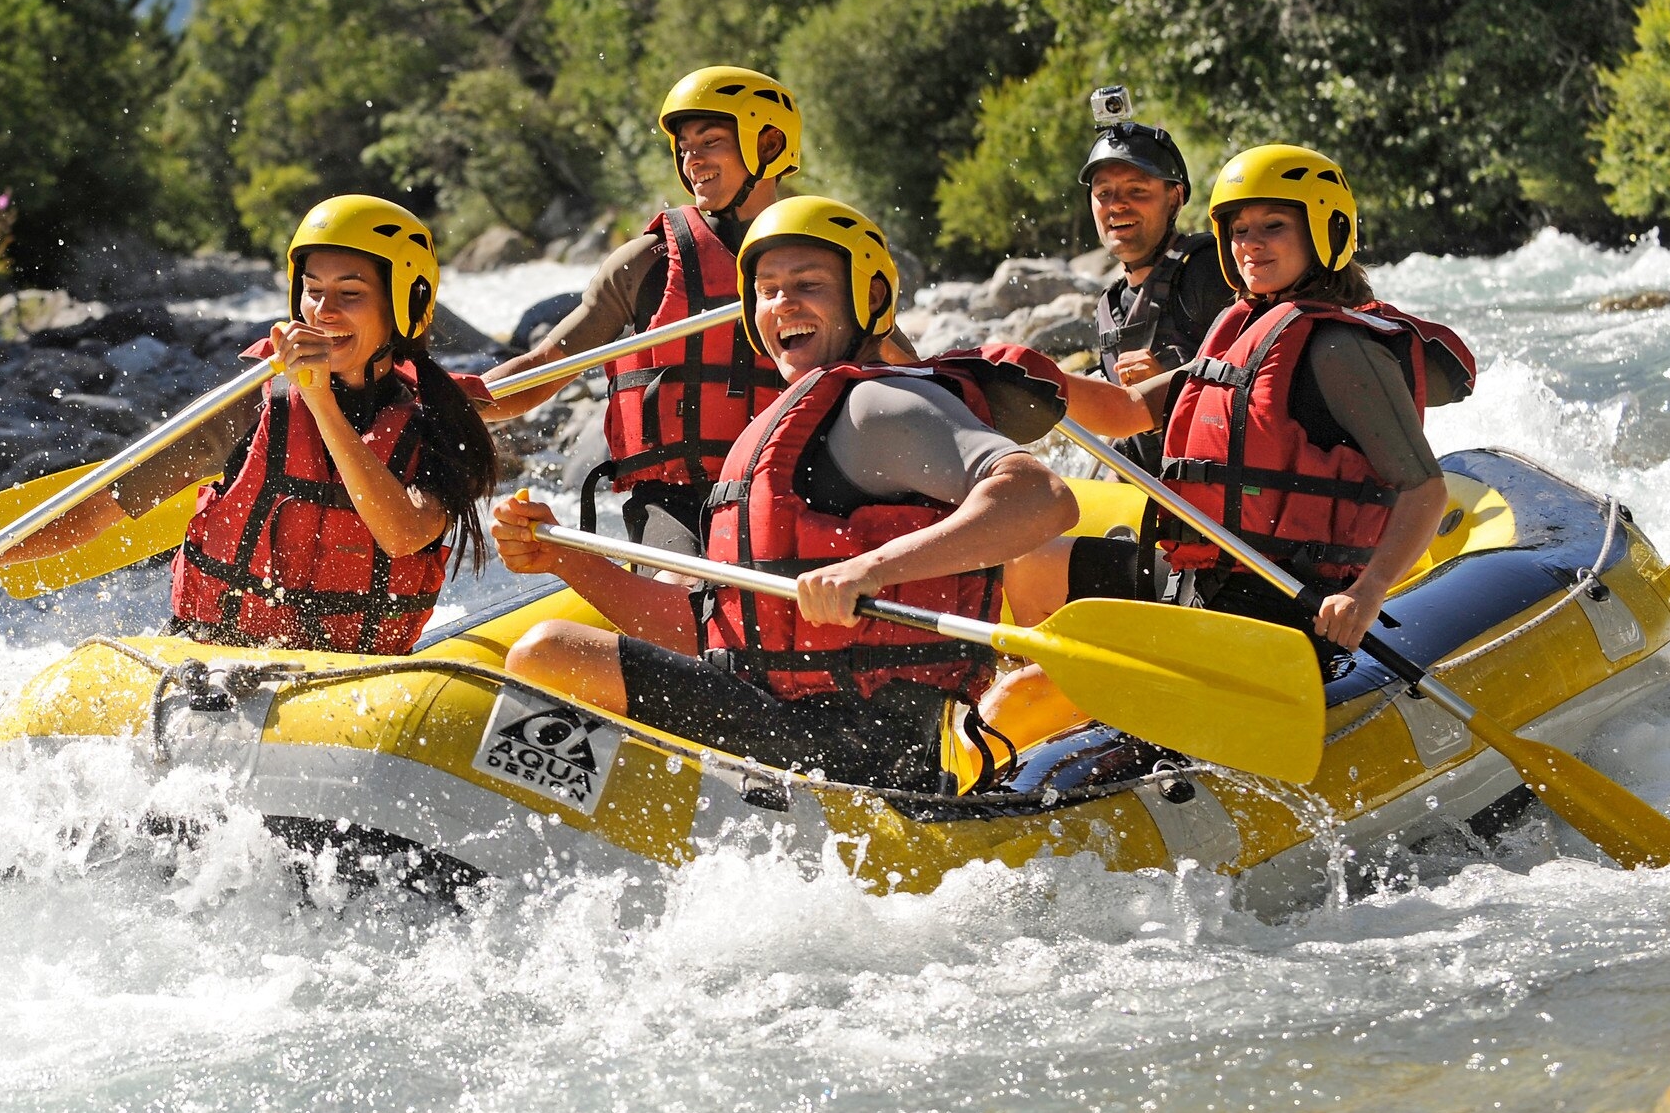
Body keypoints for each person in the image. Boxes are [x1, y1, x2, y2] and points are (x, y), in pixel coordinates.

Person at [490, 198, 1081, 792]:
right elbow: (709, 634)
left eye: (809, 285)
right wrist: (566, 560)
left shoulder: (880, 404)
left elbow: (1041, 495)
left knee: (547, 651)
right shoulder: (787, 423)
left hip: (861, 750)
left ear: (870, 298)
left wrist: (870, 570)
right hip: (781, 722)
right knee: (553, 653)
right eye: (767, 290)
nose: (782, 305)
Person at [0, 196, 499, 656]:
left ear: (404, 304)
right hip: (224, 663)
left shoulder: (440, 425)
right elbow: (99, 510)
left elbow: (403, 534)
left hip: (357, 681)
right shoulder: (249, 406)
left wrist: (320, 402)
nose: (324, 311)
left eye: (351, 294)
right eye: (313, 293)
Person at [1004, 144, 1474, 718]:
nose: (1250, 244)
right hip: (1201, 582)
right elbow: (1125, 409)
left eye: (1273, 227)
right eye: (1239, 229)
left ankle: (1096, 737)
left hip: (1278, 610)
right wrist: (1016, 375)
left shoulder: (1341, 350)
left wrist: (1366, 593)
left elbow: (1425, 490)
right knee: (1028, 567)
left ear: (1325, 230)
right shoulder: (1243, 331)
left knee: (1020, 700)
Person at [480, 66, 915, 557]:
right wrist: (443, 401)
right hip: (674, 501)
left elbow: (906, 373)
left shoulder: (827, 259)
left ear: (768, 144)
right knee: (681, 584)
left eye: (709, 142)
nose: (692, 160)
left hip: (793, 490)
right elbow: (541, 369)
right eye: (684, 147)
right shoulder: (646, 263)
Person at [1078, 85, 1230, 471]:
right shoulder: (1109, 306)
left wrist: (1170, 383)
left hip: (1215, 493)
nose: (1117, 205)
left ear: (1175, 198)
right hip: (1154, 490)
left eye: (1137, 190)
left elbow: (1260, 388)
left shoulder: (1209, 269)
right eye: (1104, 193)